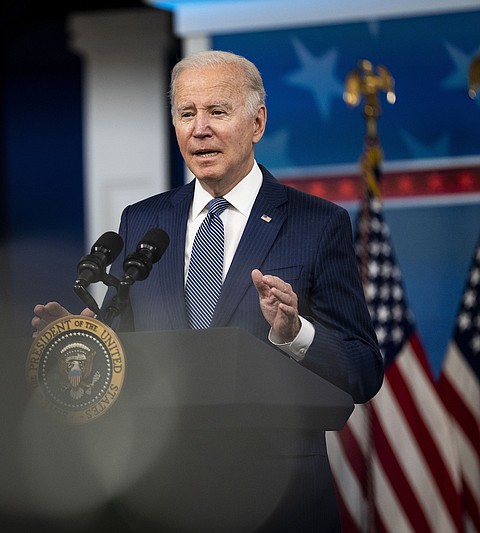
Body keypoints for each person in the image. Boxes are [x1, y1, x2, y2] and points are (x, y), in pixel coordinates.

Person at [32, 50, 383, 531]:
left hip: (278, 498)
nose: (199, 129)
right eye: (186, 113)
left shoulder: (317, 224)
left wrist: (295, 332)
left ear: (257, 122)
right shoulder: (143, 221)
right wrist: (79, 342)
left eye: (217, 112)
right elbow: (119, 355)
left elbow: (363, 370)